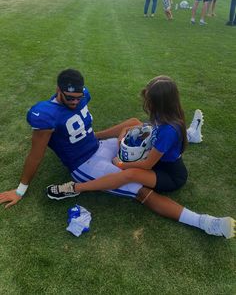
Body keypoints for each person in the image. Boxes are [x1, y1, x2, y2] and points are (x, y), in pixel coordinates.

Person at [21, 70, 231, 240]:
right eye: (70, 98)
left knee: (133, 138)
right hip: (85, 162)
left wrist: (116, 156)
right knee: (140, 186)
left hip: (121, 155)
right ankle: (203, 220)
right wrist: (21, 190)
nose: (76, 102)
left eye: (78, 97)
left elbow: (147, 160)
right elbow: (35, 155)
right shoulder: (46, 116)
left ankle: (203, 221)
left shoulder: (76, 97)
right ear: (58, 90)